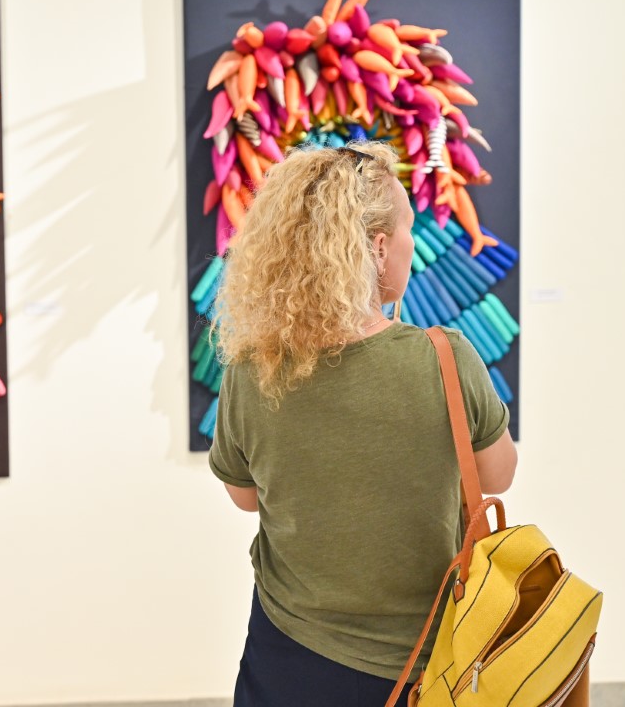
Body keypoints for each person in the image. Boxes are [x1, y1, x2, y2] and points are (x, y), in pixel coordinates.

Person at [209, 142, 517, 706]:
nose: (411, 244)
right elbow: (498, 476)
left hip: (287, 651)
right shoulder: (445, 357)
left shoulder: (253, 369)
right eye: (407, 229)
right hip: (424, 658)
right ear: (377, 247)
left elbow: (245, 497)